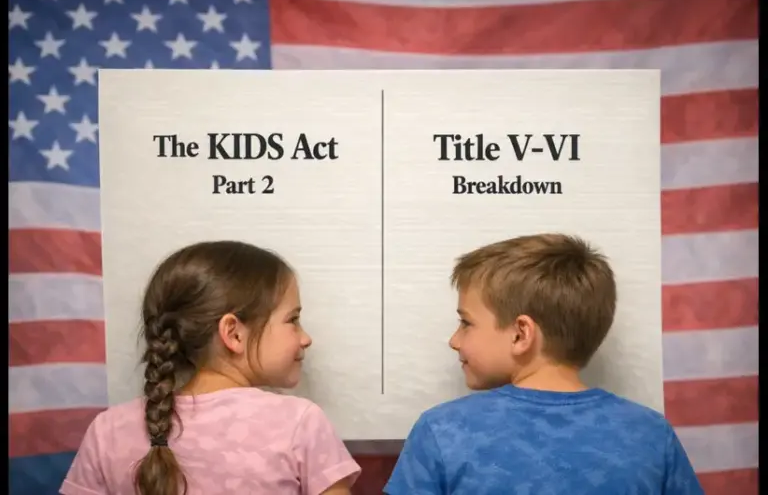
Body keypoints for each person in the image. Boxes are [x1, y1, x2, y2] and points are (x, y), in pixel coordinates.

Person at [384, 233, 704, 494]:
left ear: (521, 334)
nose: (454, 340)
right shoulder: (649, 433)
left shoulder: (442, 430)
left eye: (466, 323)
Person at [60, 241, 360, 495]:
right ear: (234, 333)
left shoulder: (108, 430)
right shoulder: (300, 423)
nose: (305, 338)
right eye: (292, 320)